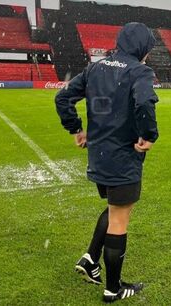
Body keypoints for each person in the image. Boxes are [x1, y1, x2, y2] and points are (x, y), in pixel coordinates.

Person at [55, 22, 158, 303]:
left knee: (114, 208)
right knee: (120, 217)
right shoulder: (139, 70)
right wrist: (149, 135)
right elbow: (145, 103)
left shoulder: (95, 68)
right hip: (123, 155)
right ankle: (113, 288)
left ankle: (90, 259)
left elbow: (63, 97)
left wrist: (76, 129)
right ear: (142, 47)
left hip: (99, 155)